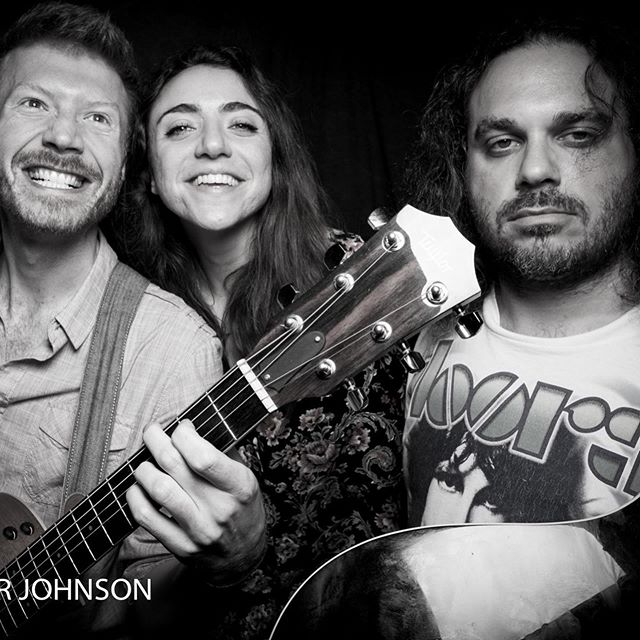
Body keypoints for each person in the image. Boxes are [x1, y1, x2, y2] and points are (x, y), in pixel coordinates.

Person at [114, 44, 406, 639]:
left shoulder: (360, 277)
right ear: (147, 173)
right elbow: (133, 583)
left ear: (275, 157)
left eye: (241, 123)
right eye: (180, 127)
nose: (213, 145)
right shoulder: (137, 316)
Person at [0, 3, 265, 638]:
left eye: (97, 118)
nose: (64, 138)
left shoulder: (171, 348)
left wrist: (217, 566)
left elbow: (153, 606)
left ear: (126, 167)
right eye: (33, 104)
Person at [400, 11, 640, 638]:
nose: (536, 170)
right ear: (463, 166)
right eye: (502, 142)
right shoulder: (420, 343)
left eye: (578, 134)